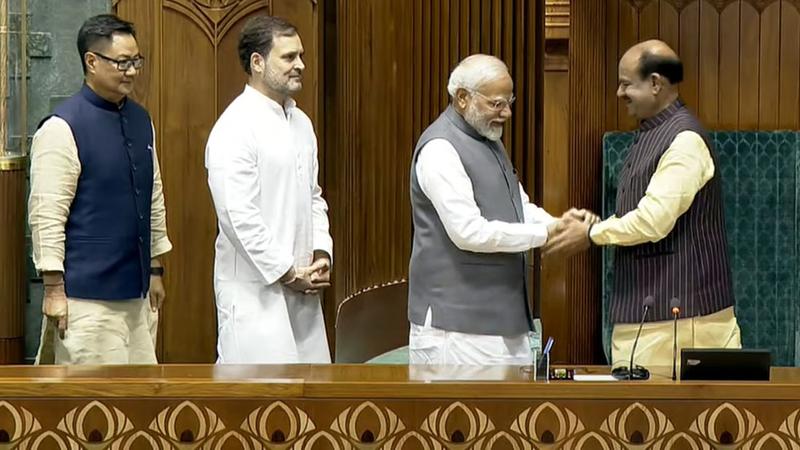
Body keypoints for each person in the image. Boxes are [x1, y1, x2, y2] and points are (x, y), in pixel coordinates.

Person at [544, 40, 740, 369]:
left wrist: (592, 233)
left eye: (625, 84)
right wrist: (595, 224)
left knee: (676, 421)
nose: (619, 94)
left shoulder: (684, 140)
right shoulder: (655, 132)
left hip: (681, 326)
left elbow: (653, 221)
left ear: (655, 83)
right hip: (656, 322)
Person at [408, 54, 594, 365]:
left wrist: (559, 224)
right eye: (497, 104)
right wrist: (545, 233)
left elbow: (519, 206)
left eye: (510, 102)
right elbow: (468, 232)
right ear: (463, 98)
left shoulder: (489, 139)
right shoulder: (440, 149)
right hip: (457, 330)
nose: (507, 112)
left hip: (502, 325)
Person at [29, 14, 171, 364]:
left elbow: (152, 196)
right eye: (122, 62)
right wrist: (53, 290)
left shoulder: (141, 119)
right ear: (91, 62)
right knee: (93, 409)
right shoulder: (62, 127)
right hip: (85, 301)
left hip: (137, 296)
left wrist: (155, 271)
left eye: (136, 61)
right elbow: (46, 214)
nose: (132, 71)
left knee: (139, 406)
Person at [205, 15, 333, 364]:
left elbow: (313, 197)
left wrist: (321, 253)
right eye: (289, 57)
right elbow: (237, 216)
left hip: (304, 288)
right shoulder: (236, 126)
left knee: (310, 405)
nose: (300, 65)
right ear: (257, 63)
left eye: (301, 56)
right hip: (256, 294)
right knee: (257, 407)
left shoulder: (301, 123)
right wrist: (286, 272)